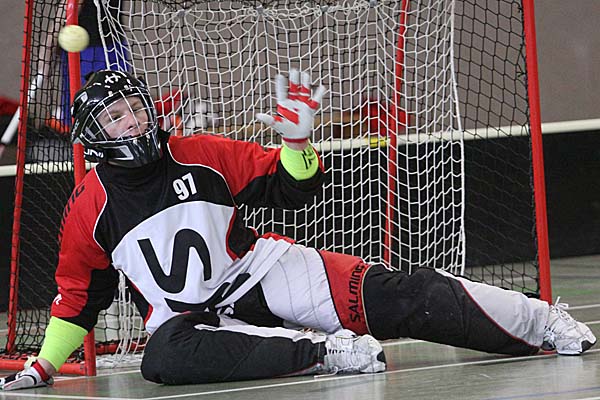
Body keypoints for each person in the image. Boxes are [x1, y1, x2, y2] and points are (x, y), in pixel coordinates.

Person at [0, 69, 596, 390]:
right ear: (95, 136)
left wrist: (296, 143)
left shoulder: (201, 152)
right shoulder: (89, 209)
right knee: (161, 360)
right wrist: (44, 366)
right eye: (116, 116)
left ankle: (542, 321)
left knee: (397, 295)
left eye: (135, 107)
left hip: (261, 271)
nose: (133, 120)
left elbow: (289, 190)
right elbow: (78, 297)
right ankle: (326, 354)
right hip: (190, 321)